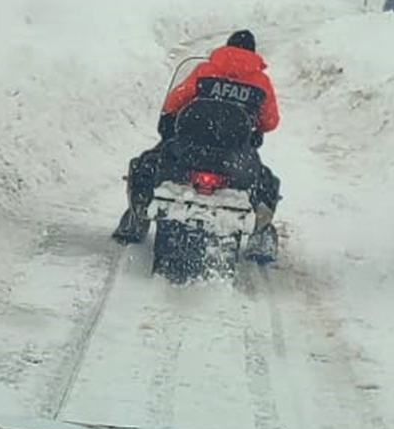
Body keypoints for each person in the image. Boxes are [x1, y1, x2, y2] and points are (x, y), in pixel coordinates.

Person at [112, 30, 282, 261]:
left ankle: (136, 217)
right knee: (266, 183)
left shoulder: (206, 70)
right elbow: (270, 121)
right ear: (253, 53)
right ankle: (261, 234)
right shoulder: (261, 82)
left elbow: (174, 101)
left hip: (189, 150)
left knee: (146, 165)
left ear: (226, 47)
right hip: (234, 157)